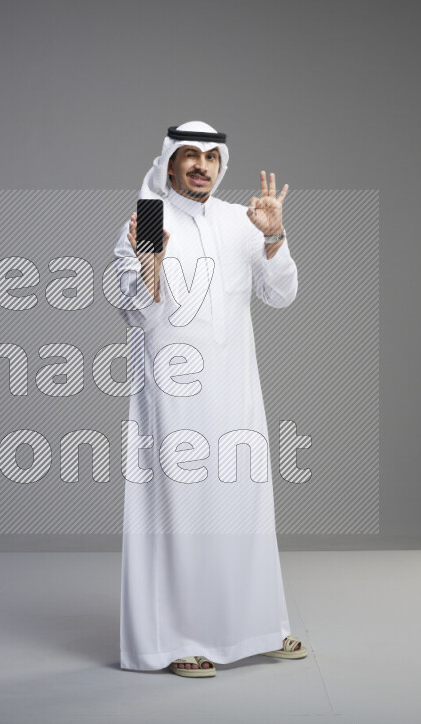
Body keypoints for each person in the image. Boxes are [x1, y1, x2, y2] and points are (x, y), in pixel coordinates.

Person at [111, 121, 306, 677]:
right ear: (170, 163)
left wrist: (273, 235)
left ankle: (261, 628)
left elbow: (282, 295)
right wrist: (150, 261)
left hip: (237, 392)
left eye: (210, 156)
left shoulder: (240, 220)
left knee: (244, 509)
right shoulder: (148, 216)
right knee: (180, 514)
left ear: (222, 164)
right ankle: (177, 641)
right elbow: (134, 312)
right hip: (172, 398)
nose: (201, 165)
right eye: (189, 155)